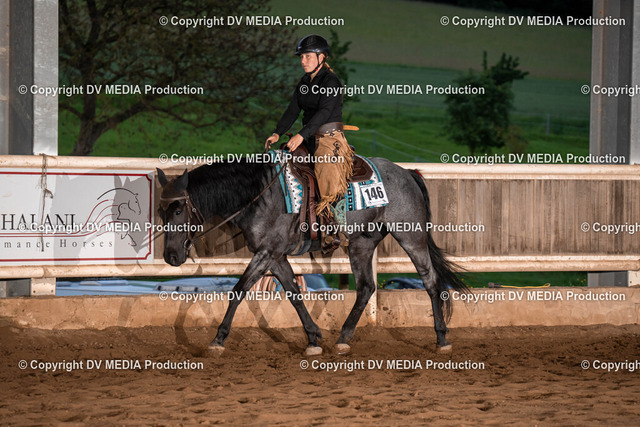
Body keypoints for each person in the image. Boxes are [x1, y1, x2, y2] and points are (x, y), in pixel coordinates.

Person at [265, 34, 353, 251]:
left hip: (329, 138)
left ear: (321, 57)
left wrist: (301, 135)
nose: (303, 61)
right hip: (308, 136)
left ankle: (337, 227)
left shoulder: (331, 82)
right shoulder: (304, 82)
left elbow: (324, 113)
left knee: (325, 170)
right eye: (301, 57)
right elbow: (293, 110)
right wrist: (277, 133)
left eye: (307, 56)